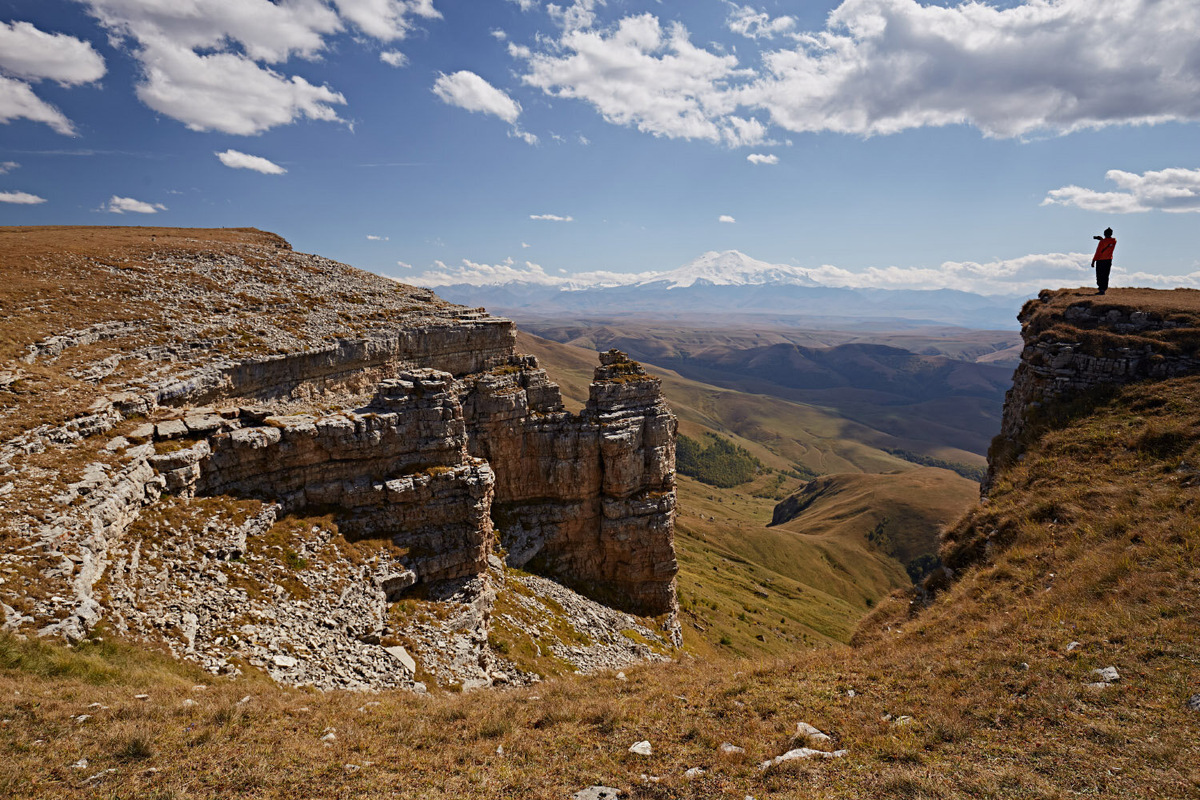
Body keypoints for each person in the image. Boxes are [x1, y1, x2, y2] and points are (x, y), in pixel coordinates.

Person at [1091, 227, 1116, 295]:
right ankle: (1103, 289)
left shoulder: (1102, 242)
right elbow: (1108, 243)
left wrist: (1093, 261)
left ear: (1104, 234)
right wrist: (1102, 239)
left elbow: (1098, 251)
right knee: (1105, 275)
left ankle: (1101, 289)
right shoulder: (1114, 241)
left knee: (1099, 275)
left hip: (1100, 260)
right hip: (1108, 260)